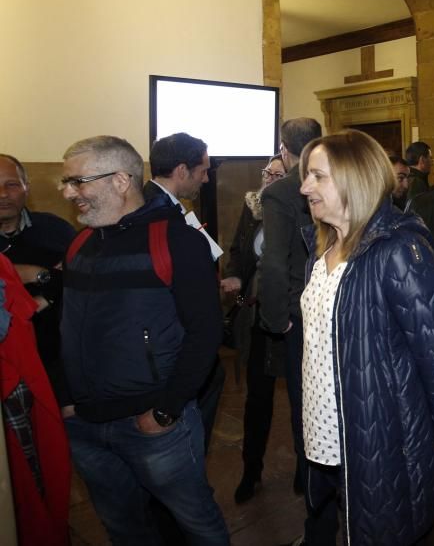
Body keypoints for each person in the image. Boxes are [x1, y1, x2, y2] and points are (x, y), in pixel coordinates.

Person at [296, 130, 434, 544]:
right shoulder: (324, 249)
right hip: (330, 432)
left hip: (380, 432)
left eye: (317, 176)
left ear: (354, 178)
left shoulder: (396, 252)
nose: (304, 187)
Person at [57, 136, 228, 544]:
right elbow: (62, 328)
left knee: (197, 523)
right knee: (124, 528)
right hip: (85, 424)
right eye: (66, 183)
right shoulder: (79, 244)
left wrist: (166, 411)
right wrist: (66, 398)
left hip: (152, 426)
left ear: (120, 180)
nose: (68, 193)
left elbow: (205, 333)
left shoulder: (177, 241)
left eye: (78, 182)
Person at [144, 132, 224, 454]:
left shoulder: (169, 207)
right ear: (181, 171)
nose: (206, 179)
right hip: (170, 341)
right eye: (203, 171)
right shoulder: (154, 210)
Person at [259, 116, 323, 494]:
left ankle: (309, 472)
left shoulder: (280, 191)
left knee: (305, 399)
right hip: (337, 304)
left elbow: (274, 260)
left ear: (284, 148)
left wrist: (275, 317)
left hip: (300, 312)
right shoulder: (337, 177)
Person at [219, 155, 288, 503]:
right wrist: (234, 273)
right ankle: (251, 470)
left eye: (278, 174)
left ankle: (309, 474)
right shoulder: (253, 206)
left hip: (292, 320)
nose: (270, 179)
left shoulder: (301, 209)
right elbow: (238, 249)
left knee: (301, 399)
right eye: (267, 173)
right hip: (257, 317)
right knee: (257, 398)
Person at [1, 251, 71, 546]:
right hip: (13, 380)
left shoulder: (51, 230)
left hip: (18, 380)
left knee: (29, 483)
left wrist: (48, 290)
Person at [0, 154, 75, 391]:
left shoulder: (56, 231)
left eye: (11, 184)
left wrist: (40, 279)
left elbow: (80, 280)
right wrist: (38, 275)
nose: (3, 194)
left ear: (26, 188)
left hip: (57, 366)